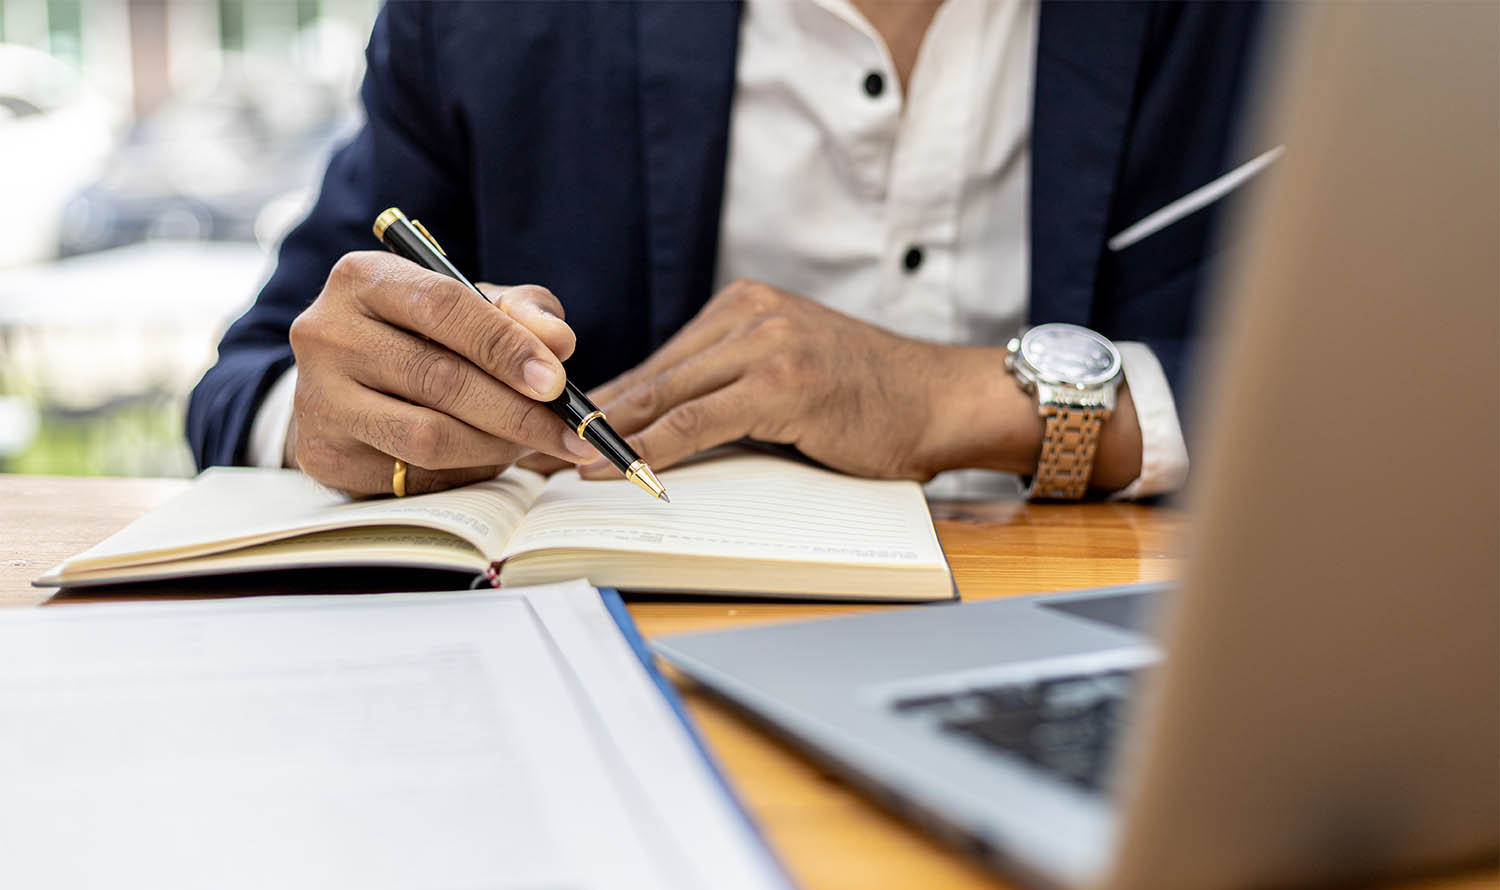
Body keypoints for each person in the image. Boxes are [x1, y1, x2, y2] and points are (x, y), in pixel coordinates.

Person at [188, 0, 1268, 500]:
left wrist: (966, 403)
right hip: (630, 704)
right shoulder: (486, 23)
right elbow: (250, 383)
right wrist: (344, 414)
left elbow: (1421, 400)